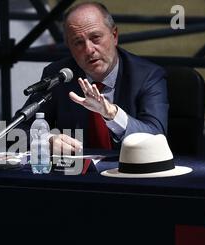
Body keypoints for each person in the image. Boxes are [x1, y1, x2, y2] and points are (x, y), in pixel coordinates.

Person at [15, 1, 169, 155]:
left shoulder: (147, 75)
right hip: (76, 175)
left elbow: (155, 136)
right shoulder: (58, 76)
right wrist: (46, 141)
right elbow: (17, 130)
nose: (89, 50)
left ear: (114, 36)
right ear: (69, 47)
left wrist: (113, 115)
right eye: (78, 42)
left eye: (95, 38)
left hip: (131, 175)